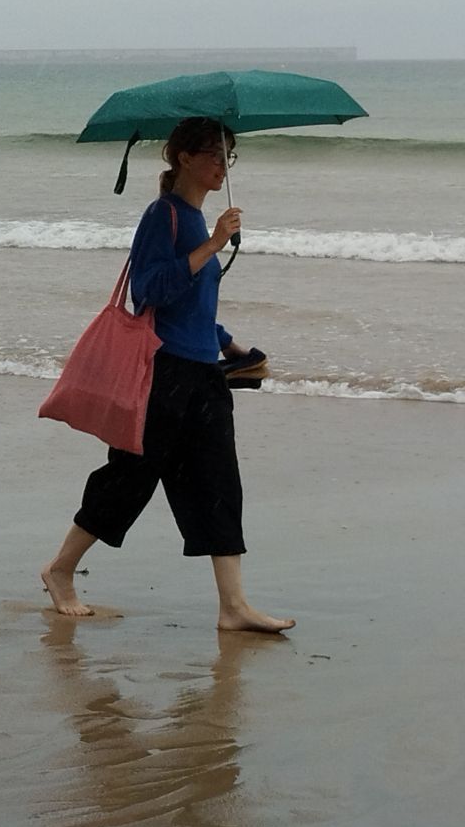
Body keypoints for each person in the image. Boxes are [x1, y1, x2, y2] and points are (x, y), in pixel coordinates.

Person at [40, 117, 295, 634]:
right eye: (216, 155)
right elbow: (150, 291)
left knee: (219, 483)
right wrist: (213, 245)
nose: (225, 166)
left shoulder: (199, 222)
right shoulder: (166, 215)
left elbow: (195, 306)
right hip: (163, 372)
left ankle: (233, 607)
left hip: (204, 372)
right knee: (130, 477)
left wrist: (232, 345)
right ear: (184, 159)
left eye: (230, 157)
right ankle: (60, 570)